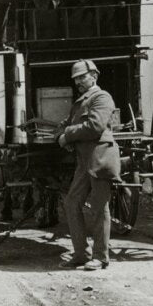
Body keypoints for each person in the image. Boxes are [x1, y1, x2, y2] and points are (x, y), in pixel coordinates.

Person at [57, 59, 121, 270]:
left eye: (82, 77)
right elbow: (69, 123)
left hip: (100, 158)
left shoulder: (102, 97)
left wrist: (67, 135)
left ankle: (101, 257)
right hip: (85, 161)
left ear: (94, 75)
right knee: (71, 202)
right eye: (76, 79)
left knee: (99, 207)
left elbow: (95, 126)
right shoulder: (81, 101)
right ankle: (81, 253)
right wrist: (61, 132)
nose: (79, 82)